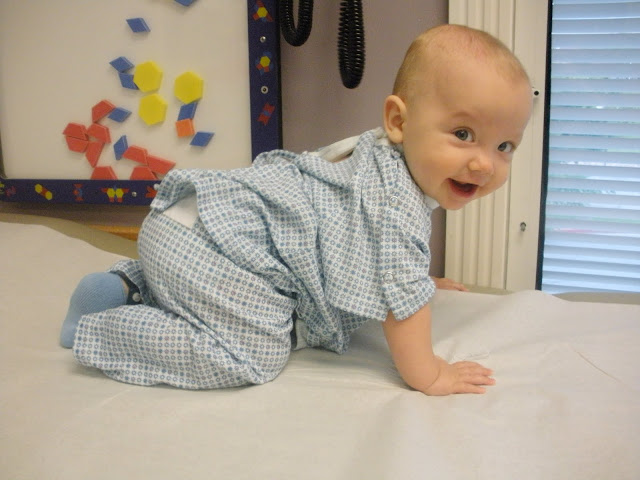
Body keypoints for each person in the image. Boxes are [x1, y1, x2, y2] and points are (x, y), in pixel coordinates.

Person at [60, 24, 532, 395]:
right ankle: (104, 329)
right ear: (398, 121)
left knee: (238, 295)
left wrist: (413, 279)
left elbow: (357, 237)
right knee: (253, 353)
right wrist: (431, 375)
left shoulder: (372, 152)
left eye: (505, 145)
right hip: (218, 244)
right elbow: (403, 307)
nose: (482, 163)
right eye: (464, 135)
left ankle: (125, 284)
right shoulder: (399, 209)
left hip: (189, 223)